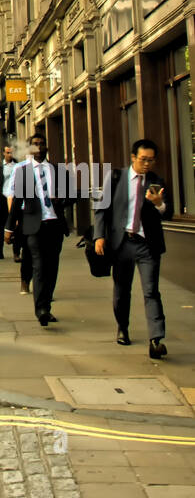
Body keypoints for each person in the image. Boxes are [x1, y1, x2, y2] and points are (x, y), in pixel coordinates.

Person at [93, 138, 173, 360]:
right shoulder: (117, 178)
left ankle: (156, 339)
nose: (147, 164)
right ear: (133, 158)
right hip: (121, 243)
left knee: (151, 291)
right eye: (143, 159)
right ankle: (123, 327)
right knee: (121, 291)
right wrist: (99, 236)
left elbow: (168, 213)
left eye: (151, 160)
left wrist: (159, 204)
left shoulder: (156, 181)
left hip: (147, 245)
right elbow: (101, 209)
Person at [4, 132, 69, 326]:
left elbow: (73, 196)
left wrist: (62, 198)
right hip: (34, 226)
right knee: (39, 267)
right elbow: (17, 202)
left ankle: (46, 307)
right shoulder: (24, 172)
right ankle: (40, 309)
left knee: (52, 269)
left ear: (47, 147)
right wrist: (9, 227)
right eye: (35, 145)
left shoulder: (58, 170)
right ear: (30, 149)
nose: (39, 148)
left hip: (55, 225)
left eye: (42, 144)